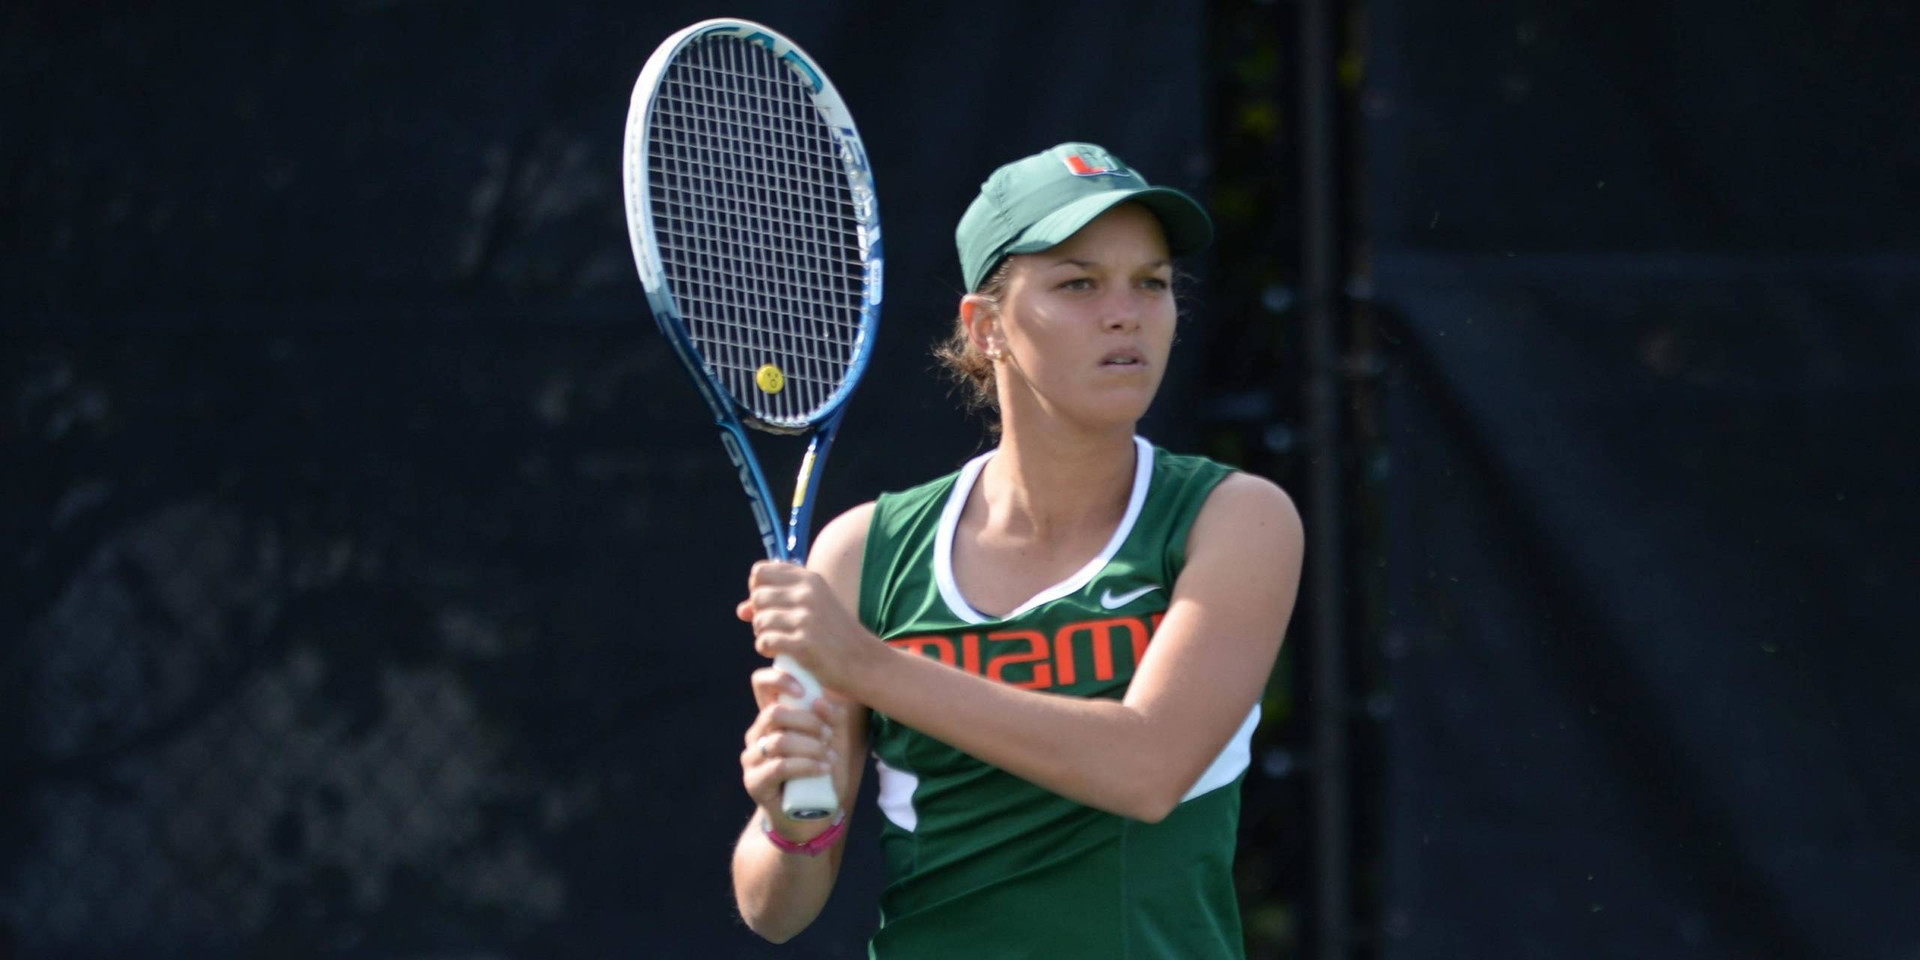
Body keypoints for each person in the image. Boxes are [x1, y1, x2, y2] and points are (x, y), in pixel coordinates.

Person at [730, 142, 1304, 958]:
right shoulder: (864, 552)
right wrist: (794, 827)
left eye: (1152, 282)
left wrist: (864, 664)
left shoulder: (1234, 518)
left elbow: (1146, 769)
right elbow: (775, 910)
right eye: (1078, 283)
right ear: (986, 326)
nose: (1125, 313)